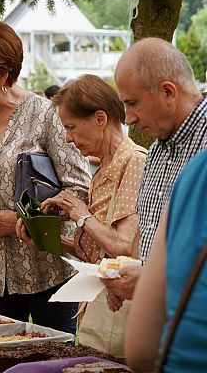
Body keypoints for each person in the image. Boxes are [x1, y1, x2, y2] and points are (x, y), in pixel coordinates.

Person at [0, 19, 91, 334]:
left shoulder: (47, 115)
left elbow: (80, 192)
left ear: (2, 72)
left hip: (51, 276)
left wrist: (16, 222)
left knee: (54, 366)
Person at [20, 74, 146, 357]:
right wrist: (44, 237)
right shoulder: (104, 168)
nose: (68, 138)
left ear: (100, 118)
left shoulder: (133, 160)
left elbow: (122, 248)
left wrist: (79, 212)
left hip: (120, 314)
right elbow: (95, 253)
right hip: (96, 312)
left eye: (72, 127)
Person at [102, 37, 207, 311]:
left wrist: (151, 281)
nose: (128, 119)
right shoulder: (158, 149)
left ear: (168, 92)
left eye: (133, 103)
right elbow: (147, 229)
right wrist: (127, 276)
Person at [125, 148, 207, 372]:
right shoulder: (158, 154)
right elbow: (142, 227)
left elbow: (141, 351)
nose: (129, 119)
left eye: (133, 109)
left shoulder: (196, 170)